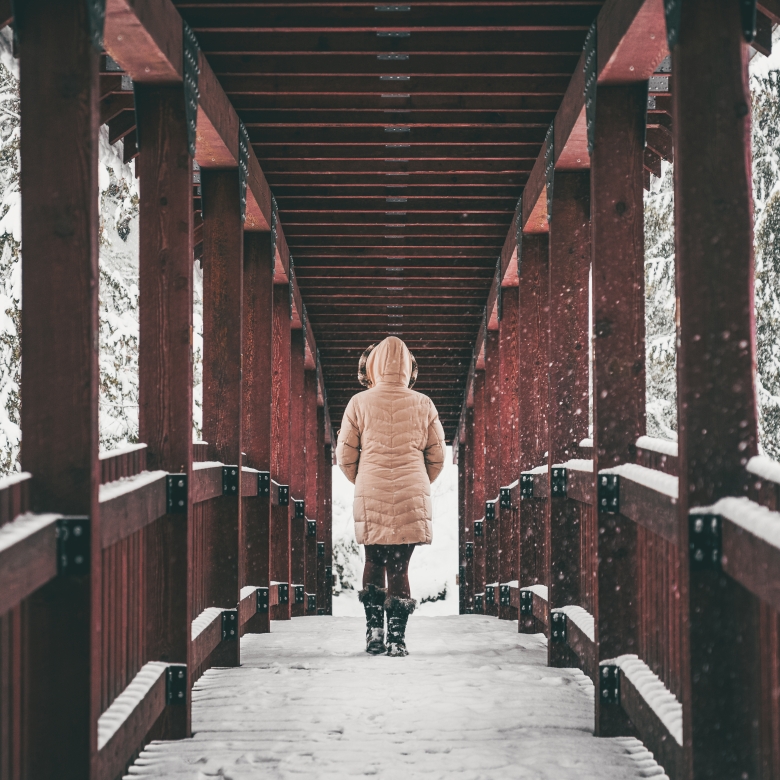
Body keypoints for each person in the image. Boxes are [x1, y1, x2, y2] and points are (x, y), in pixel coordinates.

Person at [336, 337, 446, 656]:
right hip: (413, 491)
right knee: (400, 567)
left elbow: (345, 456)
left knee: (373, 560)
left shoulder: (359, 402)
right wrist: (419, 480)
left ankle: (374, 631)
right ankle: (397, 638)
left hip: (371, 487)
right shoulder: (423, 403)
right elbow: (436, 457)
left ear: (373, 365)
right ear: (409, 368)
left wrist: (364, 479)